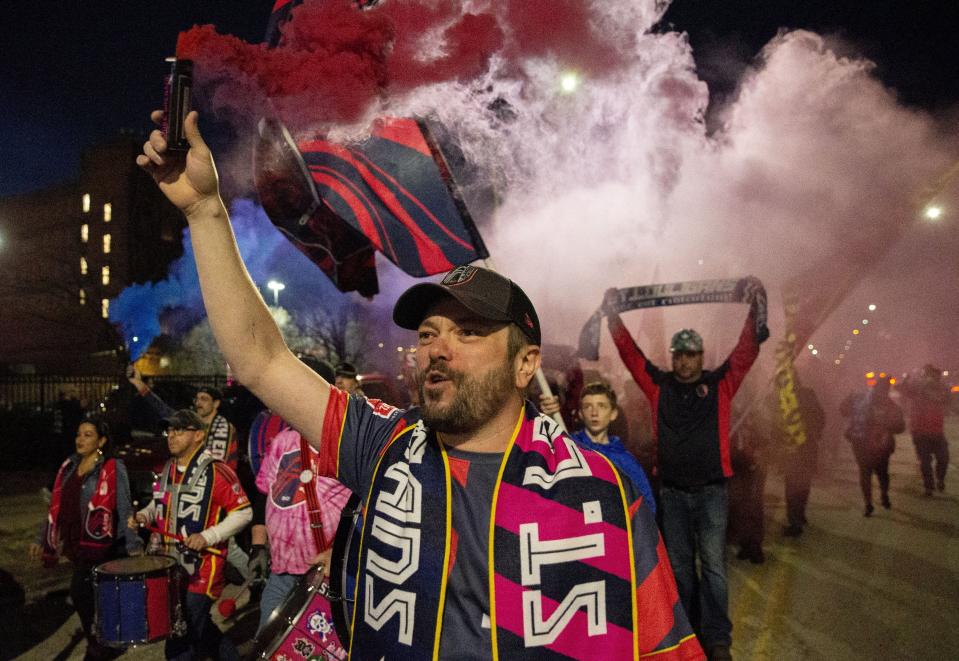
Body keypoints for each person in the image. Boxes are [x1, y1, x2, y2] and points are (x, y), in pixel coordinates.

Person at [137, 110, 704, 660]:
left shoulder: (600, 492)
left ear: (525, 363)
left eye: (469, 331)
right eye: (429, 332)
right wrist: (206, 212)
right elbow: (261, 360)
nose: (437, 347)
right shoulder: (383, 444)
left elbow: (664, 648)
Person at [604, 288, 765, 661]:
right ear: (674, 357)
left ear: (700, 357)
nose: (684, 361)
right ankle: (686, 632)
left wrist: (756, 309)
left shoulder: (721, 383)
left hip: (711, 492)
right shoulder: (659, 386)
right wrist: (613, 318)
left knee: (713, 568)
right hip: (674, 493)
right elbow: (632, 356)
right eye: (679, 354)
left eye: (691, 354)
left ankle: (718, 638)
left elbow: (746, 351)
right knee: (679, 570)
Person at [129, 409, 252, 661]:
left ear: (198, 435)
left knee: (179, 637)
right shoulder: (168, 468)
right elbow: (159, 504)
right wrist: (144, 515)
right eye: (169, 430)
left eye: (178, 430)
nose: (171, 436)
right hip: (171, 565)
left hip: (202, 570)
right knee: (202, 629)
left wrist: (208, 536)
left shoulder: (217, 471)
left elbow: (244, 512)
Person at [30, 417, 142, 661]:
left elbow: (124, 508)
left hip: (102, 545)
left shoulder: (112, 467)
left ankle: (98, 644)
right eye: (79, 434)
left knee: (80, 592)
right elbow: (55, 508)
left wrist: (133, 546)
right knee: (91, 595)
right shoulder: (69, 466)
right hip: (76, 543)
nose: (80, 439)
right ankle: (104, 640)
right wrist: (41, 538)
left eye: (88, 435)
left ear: (101, 440)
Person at [254, 427, 352, 634]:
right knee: (267, 642)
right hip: (281, 572)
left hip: (331, 572)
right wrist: (257, 545)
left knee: (326, 647)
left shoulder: (347, 439)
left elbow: (369, 505)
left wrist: (341, 552)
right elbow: (263, 493)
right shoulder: (282, 440)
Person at [539, 381, 656, 513]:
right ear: (580, 414)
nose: (594, 412)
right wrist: (547, 416)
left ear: (613, 413)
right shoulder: (569, 446)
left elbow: (646, 506)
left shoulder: (625, 460)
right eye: (588, 406)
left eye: (602, 406)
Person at [127, 367, 240, 470]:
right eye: (197, 399)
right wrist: (138, 383)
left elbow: (218, 465)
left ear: (216, 404)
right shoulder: (192, 422)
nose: (198, 403)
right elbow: (161, 408)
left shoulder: (225, 428)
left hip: (219, 485)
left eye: (204, 399)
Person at [840, 377, 905, 517]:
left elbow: (843, 411)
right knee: (877, 473)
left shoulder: (861, 399)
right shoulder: (888, 404)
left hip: (866, 443)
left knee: (869, 473)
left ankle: (872, 501)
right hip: (874, 444)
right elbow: (900, 427)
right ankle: (876, 499)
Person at [900, 364, 950, 496]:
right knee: (925, 461)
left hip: (937, 431)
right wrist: (906, 380)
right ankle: (929, 486)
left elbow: (949, 398)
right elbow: (903, 389)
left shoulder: (941, 389)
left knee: (943, 458)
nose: (931, 379)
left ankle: (940, 479)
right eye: (930, 375)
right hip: (920, 431)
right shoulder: (917, 388)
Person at [782, 384, 825, 536]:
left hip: (795, 448)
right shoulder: (809, 394)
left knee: (792, 486)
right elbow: (821, 417)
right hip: (808, 446)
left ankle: (795, 522)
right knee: (803, 484)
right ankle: (799, 515)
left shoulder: (785, 398)